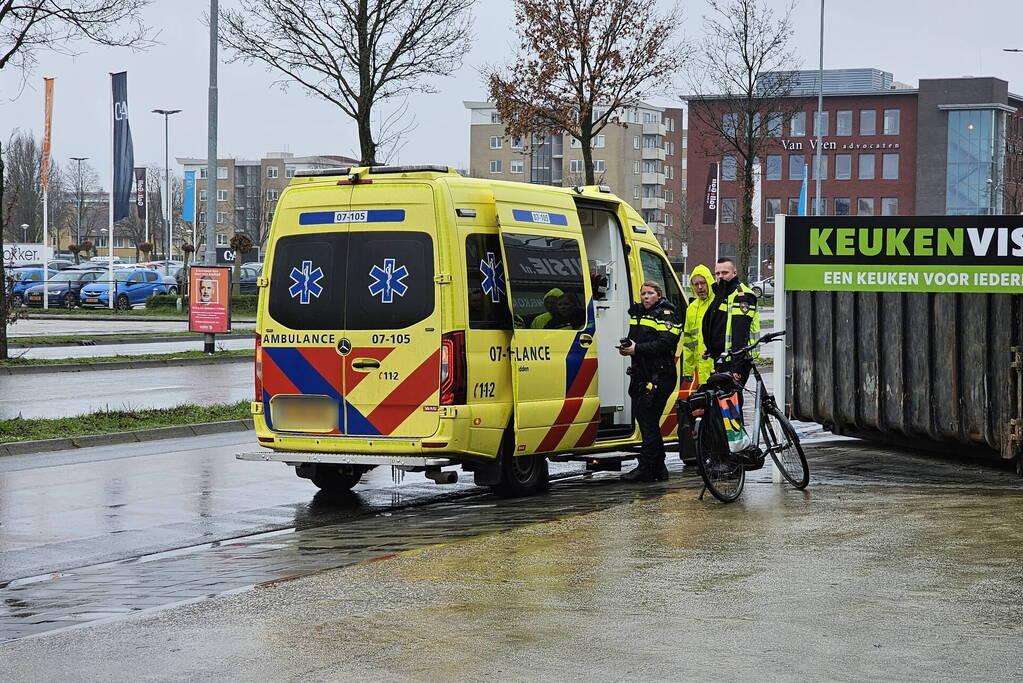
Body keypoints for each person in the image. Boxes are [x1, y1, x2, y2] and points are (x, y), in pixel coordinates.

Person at [619, 281, 681, 482]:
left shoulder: (666, 314)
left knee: (648, 420)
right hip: (641, 374)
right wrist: (628, 347)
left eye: (650, 293)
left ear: (658, 295)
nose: (646, 297)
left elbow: (665, 343)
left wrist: (637, 349)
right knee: (648, 421)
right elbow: (637, 340)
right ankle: (658, 467)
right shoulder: (639, 313)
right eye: (643, 293)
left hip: (660, 376)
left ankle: (646, 467)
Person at [702, 257, 760, 387]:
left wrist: (736, 367)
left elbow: (740, 333)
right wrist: (711, 349)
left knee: (730, 401)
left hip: (735, 359)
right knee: (721, 400)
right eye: (717, 273)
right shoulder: (722, 293)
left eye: (725, 273)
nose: (720, 276)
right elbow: (717, 325)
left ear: (734, 273)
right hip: (722, 357)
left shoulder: (742, 296)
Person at [681, 264, 715, 389]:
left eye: (703, 283)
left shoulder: (718, 303)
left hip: (716, 367)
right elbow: (688, 341)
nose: (700, 287)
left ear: (709, 282)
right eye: (696, 284)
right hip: (701, 370)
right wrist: (688, 370)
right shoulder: (691, 308)